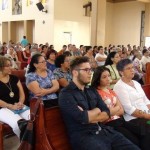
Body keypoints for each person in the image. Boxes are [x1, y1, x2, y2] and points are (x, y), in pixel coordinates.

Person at [59, 56, 140, 150]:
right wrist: (97, 111)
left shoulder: (91, 91)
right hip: (85, 137)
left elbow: (106, 112)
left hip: (105, 131)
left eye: (90, 69)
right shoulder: (66, 94)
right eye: (86, 70)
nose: (90, 73)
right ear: (75, 72)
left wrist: (93, 113)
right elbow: (83, 118)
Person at [91, 66, 140, 147]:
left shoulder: (111, 91)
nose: (108, 78)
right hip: (109, 124)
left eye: (109, 75)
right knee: (133, 140)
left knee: (142, 132)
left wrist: (111, 111)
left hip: (120, 120)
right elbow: (103, 115)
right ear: (98, 79)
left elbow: (121, 110)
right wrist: (113, 110)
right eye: (104, 77)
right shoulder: (96, 93)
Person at [114, 58, 150, 150]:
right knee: (147, 130)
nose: (132, 70)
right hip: (133, 119)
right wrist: (147, 116)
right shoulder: (119, 86)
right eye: (128, 68)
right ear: (121, 72)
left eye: (132, 67)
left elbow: (146, 100)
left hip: (146, 114)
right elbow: (129, 109)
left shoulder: (135, 83)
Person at [0, 56, 30, 138]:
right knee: (18, 124)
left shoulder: (14, 78)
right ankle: (25, 144)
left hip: (17, 104)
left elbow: (22, 93)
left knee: (33, 118)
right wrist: (10, 106)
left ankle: (33, 143)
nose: (11, 68)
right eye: (7, 66)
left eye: (10, 65)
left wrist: (20, 103)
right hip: (2, 108)